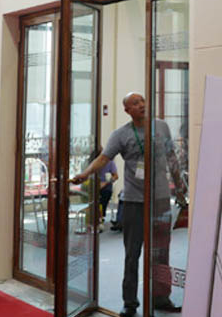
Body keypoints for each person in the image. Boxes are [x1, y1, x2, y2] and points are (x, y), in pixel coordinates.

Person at [71, 93, 186, 316]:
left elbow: (172, 157)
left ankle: (161, 297)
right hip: (134, 202)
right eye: (135, 103)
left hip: (161, 200)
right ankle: (130, 303)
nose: (141, 105)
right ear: (127, 110)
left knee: (161, 252)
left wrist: (180, 187)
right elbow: (104, 158)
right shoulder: (121, 134)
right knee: (132, 254)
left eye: (142, 101)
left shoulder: (161, 127)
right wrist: (85, 174)